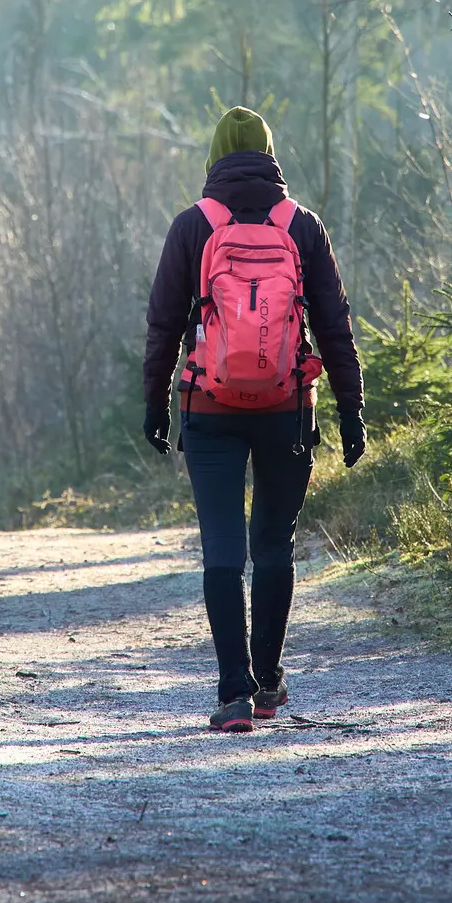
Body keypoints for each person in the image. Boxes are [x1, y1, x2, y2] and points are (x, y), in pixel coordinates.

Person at [141, 107, 366, 733]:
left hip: (208, 409)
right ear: (270, 153)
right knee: (273, 547)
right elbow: (334, 325)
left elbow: (163, 325)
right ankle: (268, 685)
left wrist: (154, 403)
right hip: (288, 409)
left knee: (222, 548)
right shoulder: (302, 225)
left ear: (214, 154)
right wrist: (352, 410)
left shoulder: (193, 226)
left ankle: (233, 695)